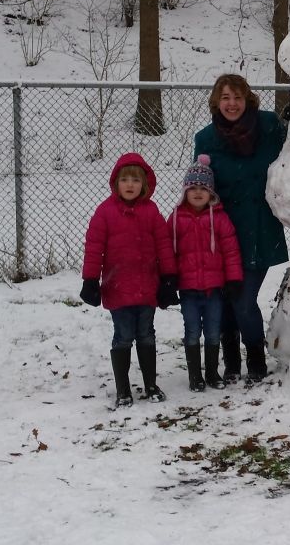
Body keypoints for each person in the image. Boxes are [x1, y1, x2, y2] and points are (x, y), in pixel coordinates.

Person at [192, 73, 289, 383]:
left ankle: (257, 361)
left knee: (243, 298)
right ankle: (232, 361)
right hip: (222, 232)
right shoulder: (206, 139)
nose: (231, 104)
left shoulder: (269, 126)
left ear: (248, 99)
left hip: (259, 228)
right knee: (224, 296)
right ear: (216, 103)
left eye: (237, 97)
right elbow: (200, 188)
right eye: (225, 98)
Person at [80, 152, 179, 408]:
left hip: (147, 286)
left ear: (144, 184)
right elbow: (94, 248)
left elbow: (164, 246)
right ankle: (123, 389)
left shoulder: (151, 212)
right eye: (125, 179)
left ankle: (150, 384)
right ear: (116, 183)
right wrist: (90, 279)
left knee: (146, 334)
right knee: (123, 335)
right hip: (118, 287)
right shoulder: (105, 212)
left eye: (135, 180)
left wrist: (169, 278)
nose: (130, 185)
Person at [167, 154, 243, 392]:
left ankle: (211, 371)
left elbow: (231, 251)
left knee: (212, 332)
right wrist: (168, 280)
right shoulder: (176, 219)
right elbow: (167, 251)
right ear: (185, 191)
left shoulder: (220, 219)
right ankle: (194, 376)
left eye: (203, 188)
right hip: (188, 289)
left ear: (212, 192)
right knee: (192, 332)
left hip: (214, 290)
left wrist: (233, 279)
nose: (198, 192)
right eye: (193, 188)